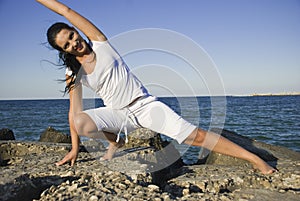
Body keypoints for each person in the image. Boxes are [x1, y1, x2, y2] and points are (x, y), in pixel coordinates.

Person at [36, 0, 276, 174]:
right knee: (80, 122)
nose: (74, 42)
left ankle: (253, 158)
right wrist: (75, 149)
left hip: (145, 106)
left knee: (195, 136)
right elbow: (73, 113)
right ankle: (115, 141)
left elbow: (65, 10)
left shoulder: (100, 43)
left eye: (71, 35)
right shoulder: (73, 74)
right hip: (118, 115)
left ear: (76, 30)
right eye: (66, 45)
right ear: (63, 51)